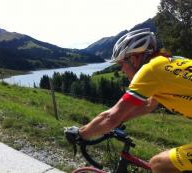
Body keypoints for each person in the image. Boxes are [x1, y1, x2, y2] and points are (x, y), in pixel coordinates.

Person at [64, 28, 192, 173]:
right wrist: (119, 121)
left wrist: (80, 134)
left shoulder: (149, 70)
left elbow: (110, 117)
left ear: (134, 58)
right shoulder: (168, 63)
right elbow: (148, 105)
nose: (122, 70)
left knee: (158, 164)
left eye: (121, 64)